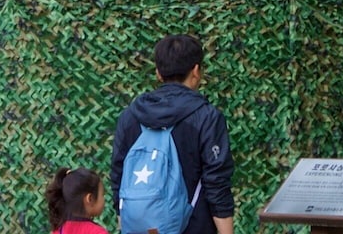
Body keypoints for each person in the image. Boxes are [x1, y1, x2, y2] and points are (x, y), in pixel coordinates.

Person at [110, 35, 234, 234]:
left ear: (158, 73)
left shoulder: (130, 116)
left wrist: (126, 220)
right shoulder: (207, 117)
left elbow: (118, 174)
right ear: (196, 71)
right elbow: (217, 181)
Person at [44, 167, 109, 234]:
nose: (104, 199)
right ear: (90, 199)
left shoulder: (58, 230)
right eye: (102, 195)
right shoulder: (97, 232)